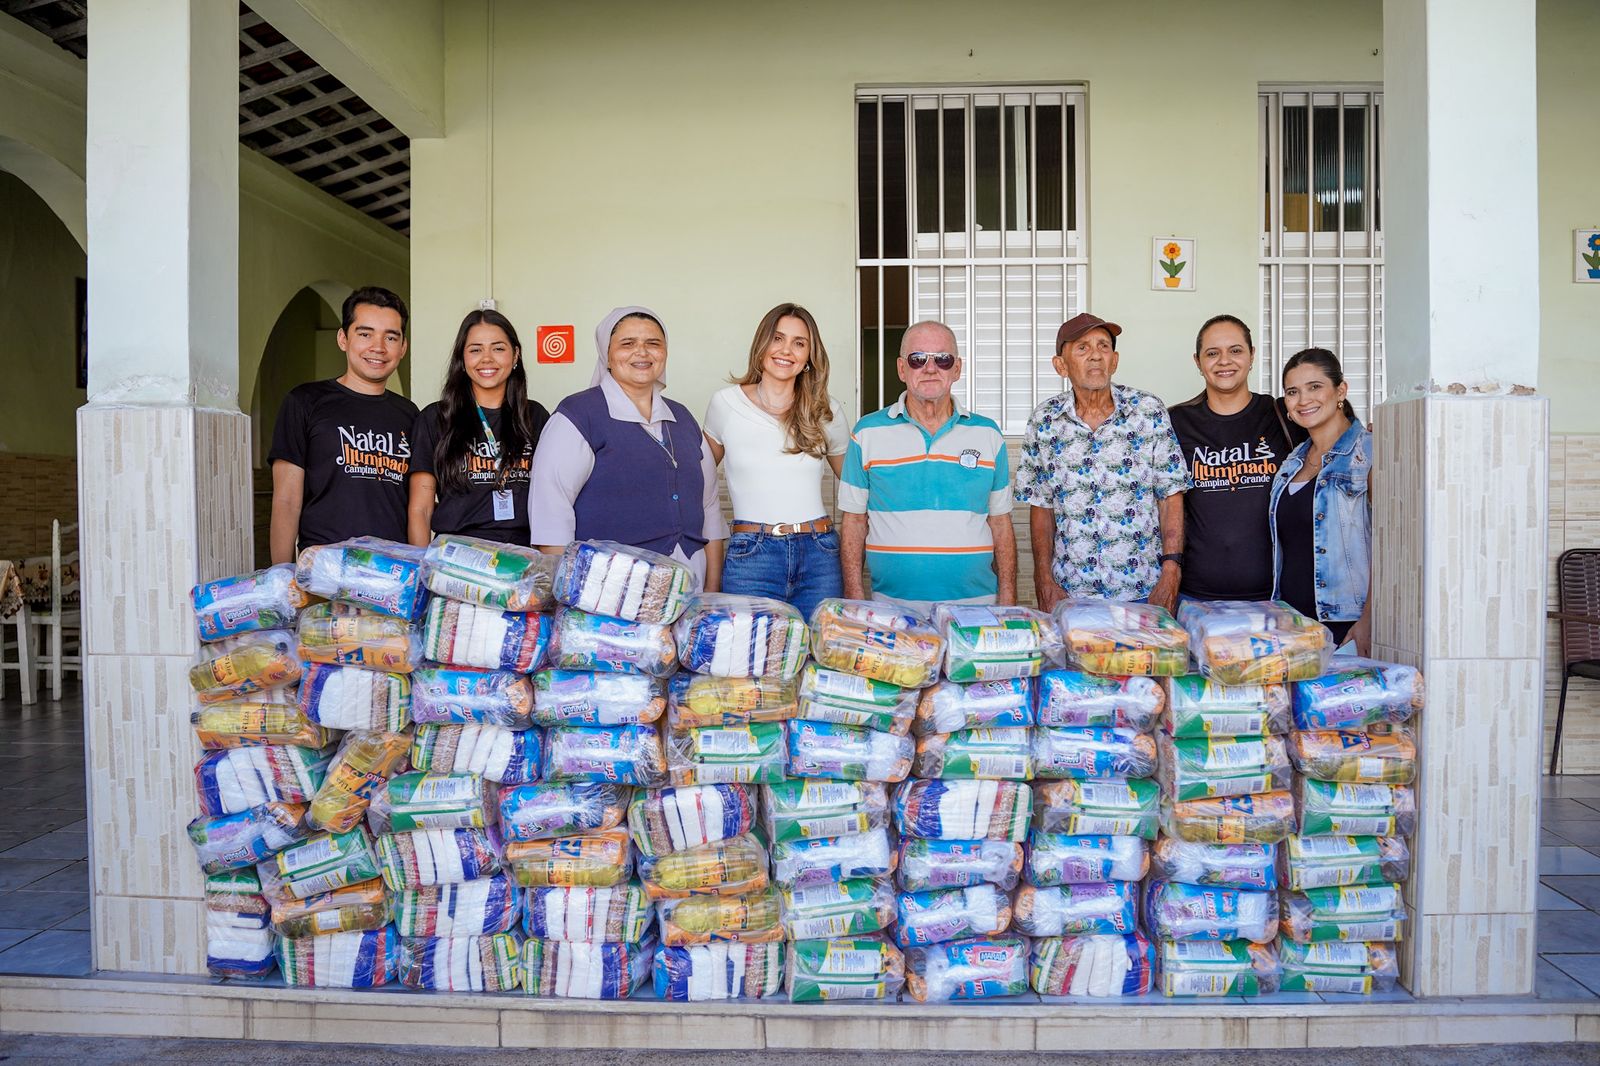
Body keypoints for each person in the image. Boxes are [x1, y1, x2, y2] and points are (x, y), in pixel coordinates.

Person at [528, 306, 727, 587]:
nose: (642, 352)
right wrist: (567, 595)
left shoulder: (683, 418)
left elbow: (709, 510)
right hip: (609, 593)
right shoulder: (578, 415)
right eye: (627, 344)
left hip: (689, 589)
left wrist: (712, 591)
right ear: (606, 355)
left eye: (653, 343)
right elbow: (551, 515)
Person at [838, 320, 1016, 612]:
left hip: (977, 609)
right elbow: (854, 522)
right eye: (917, 359)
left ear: (957, 369)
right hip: (893, 610)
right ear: (901, 369)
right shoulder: (866, 433)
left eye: (942, 360)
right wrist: (855, 595)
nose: (930, 369)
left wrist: (1007, 599)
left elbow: (1000, 522)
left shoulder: (988, 434)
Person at [1016, 312, 1189, 612]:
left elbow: (1170, 496)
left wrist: (1172, 572)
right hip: (1071, 592)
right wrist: (1043, 577)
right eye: (1082, 348)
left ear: (1115, 360)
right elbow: (1041, 505)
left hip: (1144, 589)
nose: (1095, 355)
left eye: (1103, 346)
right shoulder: (1044, 420)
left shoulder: (1148, 411)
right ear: (1061, 365)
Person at [703, 303, 848, 620]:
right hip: (751, 555)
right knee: (751, 659)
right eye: (778, 338)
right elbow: (697, 486)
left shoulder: (828, 410)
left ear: (810, 355)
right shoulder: (725, 404)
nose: (787, 350)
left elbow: (855, 489)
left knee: (818, 659)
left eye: (800, 343)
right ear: (762, 344)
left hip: (820, 554)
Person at [268, 286, 417, 563]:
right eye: (365, 334)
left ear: (403, 347)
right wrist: (282, 576)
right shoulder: (304, 402)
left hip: (392, 574)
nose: (378, 347)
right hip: (324, 570)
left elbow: (415, 506)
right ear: (343, 338)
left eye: (391, 337)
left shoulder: (409, 414)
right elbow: (286, 501)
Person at [1167, 314, 1305, 602]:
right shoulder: (1176, 421)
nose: (1224, 361)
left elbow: (1331, 441)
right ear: (1197, 361)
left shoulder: (1282, 414)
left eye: (1236, 350)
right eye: (1212, 353)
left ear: (1252, 355)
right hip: (1194, 597)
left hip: (1275, 596)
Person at [407, 309, 550, 547]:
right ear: (462, 359)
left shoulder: (534, 416)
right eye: (475, 349)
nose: (487, 358)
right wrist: (420, 571)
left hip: (521, 557)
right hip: (455, 559)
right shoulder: (436, 418)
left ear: (515, 355)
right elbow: (420, 509)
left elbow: (551, 500)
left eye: (498, 348)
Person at [1269, 347, 1373, 652]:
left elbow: (1390, 545)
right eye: (1293, 392)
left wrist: (1370, 618)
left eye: (1315, 387)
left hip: (1345, 626)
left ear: (1340, 390)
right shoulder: (1292, 461)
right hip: (1292, 626)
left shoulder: (1369, 453)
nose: (1303, 400)